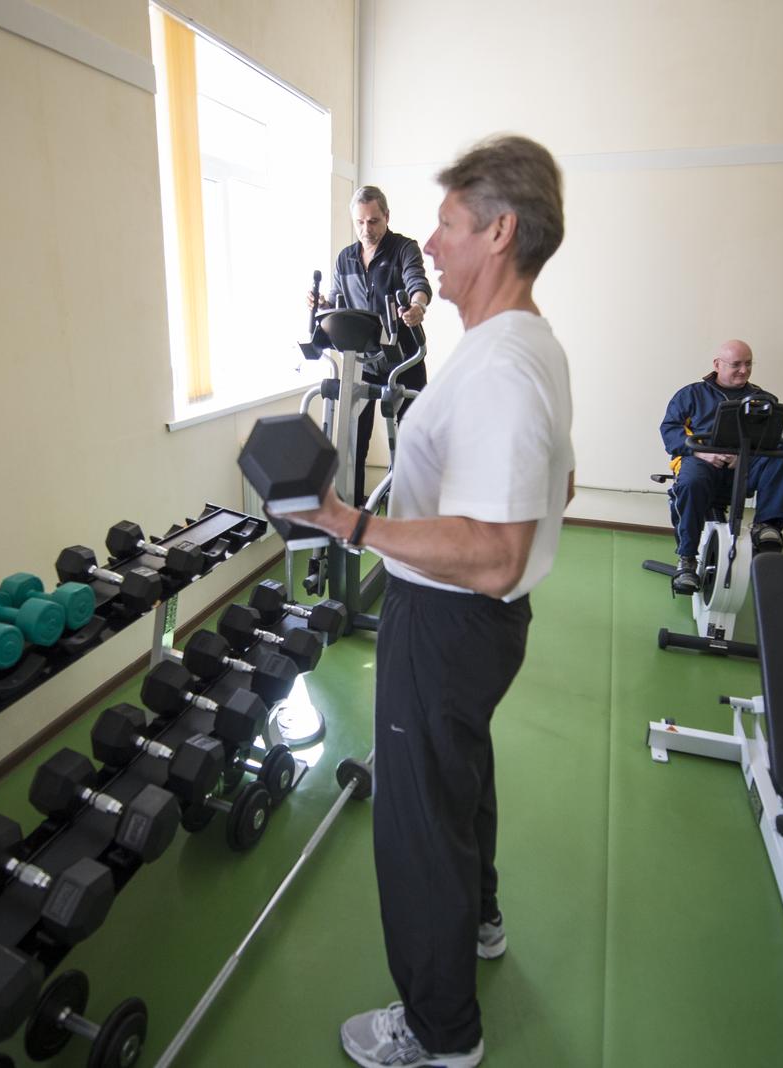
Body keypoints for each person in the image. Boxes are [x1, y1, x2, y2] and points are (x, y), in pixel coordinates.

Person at [293, 136, 574, 1068]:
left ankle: (439, 1031)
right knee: (460, 778)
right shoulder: (524, 343)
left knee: (416, 823)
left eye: (450, 225)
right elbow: (556, 491)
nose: (433, 245)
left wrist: (350, 524)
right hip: (477, 629)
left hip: (452, 619)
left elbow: (495, 555)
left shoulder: (498, 366)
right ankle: (483, 921)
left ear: (499, 232)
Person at [307, 186, 432, 506]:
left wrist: (417, 307)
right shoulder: (345, 258)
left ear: (387, 217)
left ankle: (407, 512)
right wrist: (322, 303)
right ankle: (352, 512)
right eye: (360, 222)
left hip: (402, 358)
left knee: (410, 439)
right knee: (354, 440)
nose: (367, 229)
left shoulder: (404, 249)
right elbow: (338, 301)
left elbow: (418, 282)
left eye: (374, 221)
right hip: (361, 359)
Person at [659, 339, 783, 594]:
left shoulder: (763, 399)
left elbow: (767, 440)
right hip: (702, 463)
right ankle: (687, 560)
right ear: (717, 365)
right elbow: (670, 432)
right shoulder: (691, 394)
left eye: (748, 364)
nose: (744, 370)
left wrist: (746, 457)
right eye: (736, 364)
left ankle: (767, 527)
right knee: (691, 482)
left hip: (745, 468)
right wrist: (701, 452)